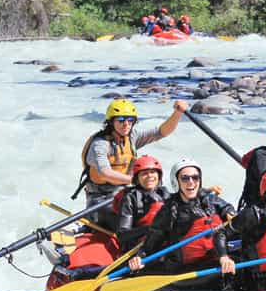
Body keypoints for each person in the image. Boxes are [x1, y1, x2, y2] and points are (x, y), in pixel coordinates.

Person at [72, 98, 188, 231]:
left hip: (127, 192)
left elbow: (162, 132)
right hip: (100, 199)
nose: (126, 124)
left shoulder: (132, 137)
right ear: (111, 122)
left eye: (130, 120)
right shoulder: (99, 144)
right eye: (121, 120)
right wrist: (135, 180)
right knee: (134, 219)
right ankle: (88, 227)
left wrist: (177, 113)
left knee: (161, 205)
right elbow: (106, 173)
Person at [128, 159, 236, 289]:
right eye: (185, 178)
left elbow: (226, 208)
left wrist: (230, 212)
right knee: (223, 271)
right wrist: (139, 258)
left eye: (195, 177)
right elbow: (152, 242)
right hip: (184, 270)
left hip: (211, 259)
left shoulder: (209, 199)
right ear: (176, 182)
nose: (191, 182)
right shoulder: (169, 210)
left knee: (241, 259)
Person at [112, 154, 171, 253]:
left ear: (159, 175)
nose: (150, 176)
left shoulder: (164, 193)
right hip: (140, 248)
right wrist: (150, 229)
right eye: (144, 173)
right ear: (137, 178)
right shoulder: (130, 198)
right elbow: (122, 235)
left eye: (153, 172)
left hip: (163, 244)